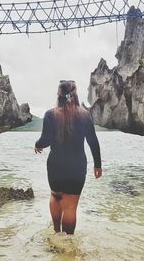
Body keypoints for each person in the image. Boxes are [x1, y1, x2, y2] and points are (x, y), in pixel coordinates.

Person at [34, 80, 102, 235]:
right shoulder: (85, 115)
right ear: (75, 94)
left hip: (56, 166)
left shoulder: (50, 114)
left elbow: (45, 140)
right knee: (70, 206)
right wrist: (97, 165)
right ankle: (68, 242)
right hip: (77, 167)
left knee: (55, 196)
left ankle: (56, 233)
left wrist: (37, 144)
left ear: (59, 95)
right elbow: (93, 142)